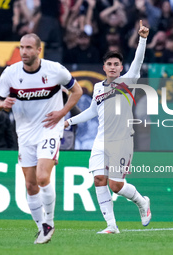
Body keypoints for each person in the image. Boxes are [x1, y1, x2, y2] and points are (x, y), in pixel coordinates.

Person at [0, 33, 82, 244]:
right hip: (24, 134)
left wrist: (62, 113)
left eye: (29, 48)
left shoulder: (55, 70)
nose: (24, 52)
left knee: (43, 177)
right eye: (22, 47)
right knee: (31, 185)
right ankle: (41, 227)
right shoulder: (10, 74)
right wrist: (2, 105)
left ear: (39, 50)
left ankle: (49, 222)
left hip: (49, 129)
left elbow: (76, 92)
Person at [65, 20, 151, 234]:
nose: (113, 67)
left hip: (121, 141)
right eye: (109, 64)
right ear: (104, 67)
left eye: (116, 65)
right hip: (101, 140)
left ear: (121, 68)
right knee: (98, 179)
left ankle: (142, 202)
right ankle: (111, 225)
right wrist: (69, 120)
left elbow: (138, 61)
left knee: (116, 185)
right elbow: (93, 112)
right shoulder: (97, 88)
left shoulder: (128, 81)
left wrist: (142, 39)